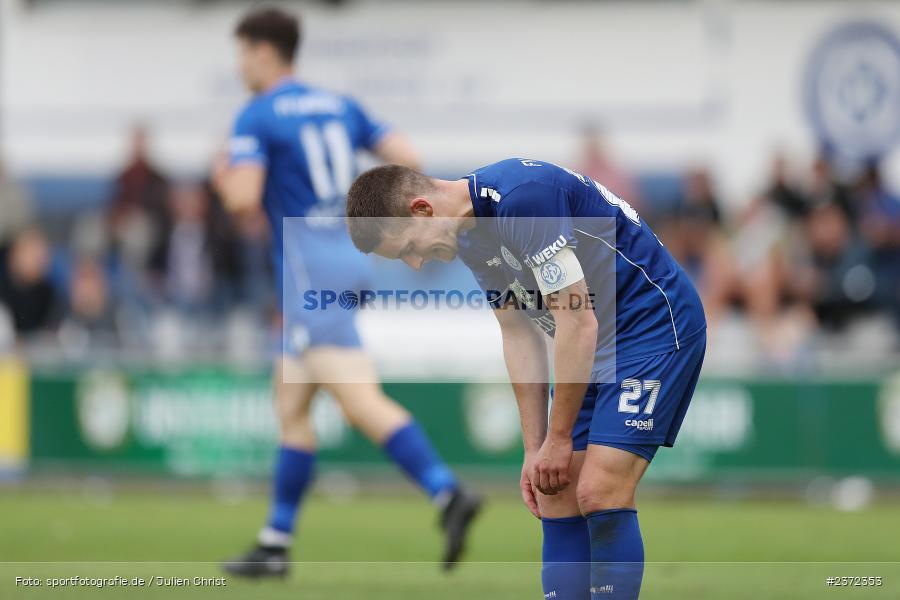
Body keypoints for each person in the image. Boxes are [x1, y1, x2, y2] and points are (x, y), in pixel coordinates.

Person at [345, 159, 708, 599]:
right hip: (593, 343)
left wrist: (558, 438)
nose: (416, 265)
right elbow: (518, 333)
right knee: (553, 490)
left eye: (407, 249)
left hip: (651, 328)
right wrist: (535, 447)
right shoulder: (470, 236)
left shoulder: (523, 199)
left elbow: (577, 322)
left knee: (599, 490)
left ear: (422, 210)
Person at [211, 8, 480, 577]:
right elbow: (408, 156)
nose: (239, 66)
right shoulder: (339, 104)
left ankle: (446, 493)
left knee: (359, 400)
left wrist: (225, 172)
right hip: (345, 257)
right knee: (291, 404)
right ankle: (275, 542)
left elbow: (241, 200)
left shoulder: (256, 116)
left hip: (307, 267)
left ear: (263, 52)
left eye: (242, 54)